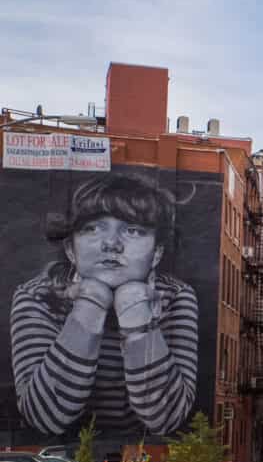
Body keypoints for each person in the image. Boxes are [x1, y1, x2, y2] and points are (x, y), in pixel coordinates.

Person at [10, 173, 198, 436]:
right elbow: (45, 417)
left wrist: (136, 317)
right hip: (60, 460)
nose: (111, 244)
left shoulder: (176, 296)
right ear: (70, 250)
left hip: (140, 458)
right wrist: (90, 305)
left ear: (156, 253)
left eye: (132, 230)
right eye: (93, 228)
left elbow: (165, 418)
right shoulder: (38, 296)